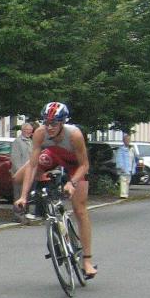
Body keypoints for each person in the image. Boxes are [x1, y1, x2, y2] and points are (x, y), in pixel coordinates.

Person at [14, 102, 97, 279]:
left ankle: (87, 261)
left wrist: (72, 183)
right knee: (18, 177)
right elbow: (33, 165)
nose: (49, 127)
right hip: (54, 155)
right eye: (46, 122)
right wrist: (23, 196)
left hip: (75, 165)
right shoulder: (40, 133)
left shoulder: (74, 135)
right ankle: (48, 199)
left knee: (80, 210)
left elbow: (85, 165)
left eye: (54, 123)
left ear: (63, 122)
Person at [10, 123, 34, 221]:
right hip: (20, 174)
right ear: (22, 130)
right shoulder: (18, 142)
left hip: (29, 173)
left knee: (26, 195)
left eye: (30, 130)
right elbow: (15, 158)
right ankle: (18, 216)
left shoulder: (31, 141)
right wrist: (20, 173)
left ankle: (25, 214)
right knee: (19, 195)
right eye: (27, 130)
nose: (29, 132)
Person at [115, 133, 136, 199]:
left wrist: (133, 168)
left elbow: (133, 159)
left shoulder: (131, 149)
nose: (128, 141)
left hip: (130, 168)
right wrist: (121, 167)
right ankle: (123, 195)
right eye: (126, 140)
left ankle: (126, 194)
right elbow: (119, 159)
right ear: (123, 141)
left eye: (129, 140)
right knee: (123, 181)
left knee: (128, 182)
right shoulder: (121, 149)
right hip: (123, 168)